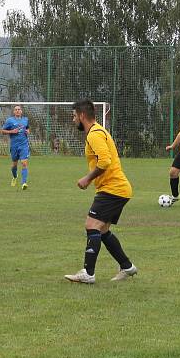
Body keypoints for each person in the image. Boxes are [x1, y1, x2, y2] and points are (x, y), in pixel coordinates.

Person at [65, 99, 138, 284]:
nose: (73, 120)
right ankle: (127, 266)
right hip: (118, 189)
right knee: (103, 230)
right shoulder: (98, 131)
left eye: (74, 116)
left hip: (113, 189)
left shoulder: (94, 134)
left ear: (82, 116)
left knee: (91, 225)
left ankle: (88, 273)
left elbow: (104, 162)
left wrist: (87, 178)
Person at [0, 105, 30, 190]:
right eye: (16, 109)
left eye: (19, 109)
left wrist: (27, 131)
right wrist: (12, 131)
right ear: (14, 112)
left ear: (21, 111)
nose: (17, 111)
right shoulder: (10, 121)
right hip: (14, 146)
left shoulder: (25, 120)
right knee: (14, 165)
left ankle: (24, 183)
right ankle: (14, 176)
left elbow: (27, 128)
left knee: (24, 163)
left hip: (24, 145)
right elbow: (2, 131)